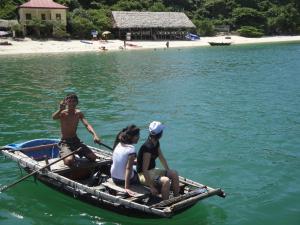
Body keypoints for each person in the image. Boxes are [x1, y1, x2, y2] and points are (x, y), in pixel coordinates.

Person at [52, 93, 101, 168]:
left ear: (77, 102)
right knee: (69, 161)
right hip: (65, 142)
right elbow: (54, 117)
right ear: (66, 102)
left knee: (93, 158)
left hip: (76, 141)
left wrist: (95, 135)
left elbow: (87, 125)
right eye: (70, 101)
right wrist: (60, 109)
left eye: (74, 101)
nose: (72, 103)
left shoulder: (78, 113)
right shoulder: (62, 113)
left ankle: (73, 153)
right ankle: (64, 153)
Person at [137, 121, 180, 200]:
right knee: (166, 181)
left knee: (174, 173)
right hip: (143, 175)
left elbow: (161, 158)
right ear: (160, 134)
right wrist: (152, 187)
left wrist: (168, 171)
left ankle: (177, 197)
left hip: (152, 171)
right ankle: (165, 203)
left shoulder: (156, 143)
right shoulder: (147, 148)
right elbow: (144, 170)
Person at [110, 125, 140, 196]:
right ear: (131, 137)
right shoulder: (131, 149)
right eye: (137, 135)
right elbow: (128, 168)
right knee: (141, 173)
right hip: (122, 180)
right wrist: (127, 187)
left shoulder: (119, 144)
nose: (139, 137)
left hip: (114, 177)